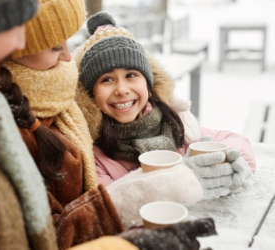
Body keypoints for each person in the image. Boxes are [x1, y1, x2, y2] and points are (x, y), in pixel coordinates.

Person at [0, 0, 205, 248]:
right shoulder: (22, 130)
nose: (67, 56)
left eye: (67, 41)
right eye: (55, 46)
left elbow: (220, 140)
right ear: (13, 49)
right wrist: (126, 200)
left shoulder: (62, 107)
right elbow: (45, 235)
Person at [74, 12, 255, 201]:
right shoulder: (91, 151)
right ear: (90, 94)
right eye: (107, 79)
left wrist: (234, 164)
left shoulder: (175, 123)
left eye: (131, 75)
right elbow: (109, 205)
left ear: (149, 87)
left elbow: (232, 139)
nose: (122, 89)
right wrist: (178, 180)